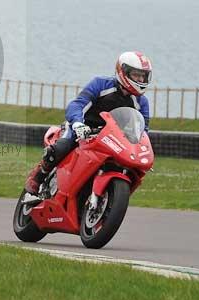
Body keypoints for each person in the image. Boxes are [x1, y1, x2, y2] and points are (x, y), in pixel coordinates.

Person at [24, 51, 153, 194]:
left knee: (129, 167)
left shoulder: (142, 103)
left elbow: (142, 131)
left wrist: (141, 152)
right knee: (63, 146)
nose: (140, 79)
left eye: (143, 75)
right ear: (123, 71)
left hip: (111, 138)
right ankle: (39, 174)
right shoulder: (101, 84)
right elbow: (78, 104)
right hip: (83, 127)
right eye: (136, 74)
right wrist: (78, 123)